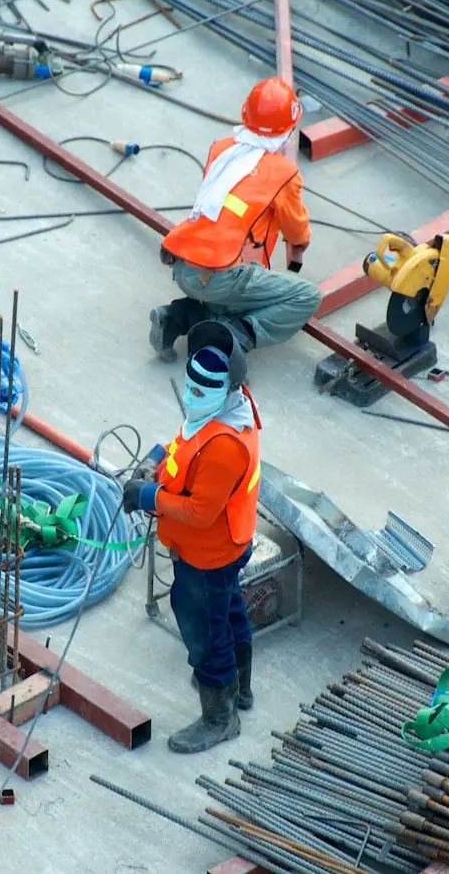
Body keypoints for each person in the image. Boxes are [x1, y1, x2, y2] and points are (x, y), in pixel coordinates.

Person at [123, 321, 261, 753]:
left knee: (205, 632)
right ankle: (239, 689)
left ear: (227, 388)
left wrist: (148, 495)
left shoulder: (225, 446)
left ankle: (220, 718)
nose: (192, 396)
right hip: (226, 546)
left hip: (208, 554)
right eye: (190, 385)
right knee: (229, 610)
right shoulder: (224, 411)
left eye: (203, 390)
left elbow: (200, 512)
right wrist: (157, 460)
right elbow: (186, 448)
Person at [149, 76, 322, 363]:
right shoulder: (283, 173)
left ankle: (176, 318)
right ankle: (233, 336)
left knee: (236, 291)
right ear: (288, 130)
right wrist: (301, 241)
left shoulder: (222, 149)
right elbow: (295, 229)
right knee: (305, 296)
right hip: (218, 276)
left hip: (182, 262)